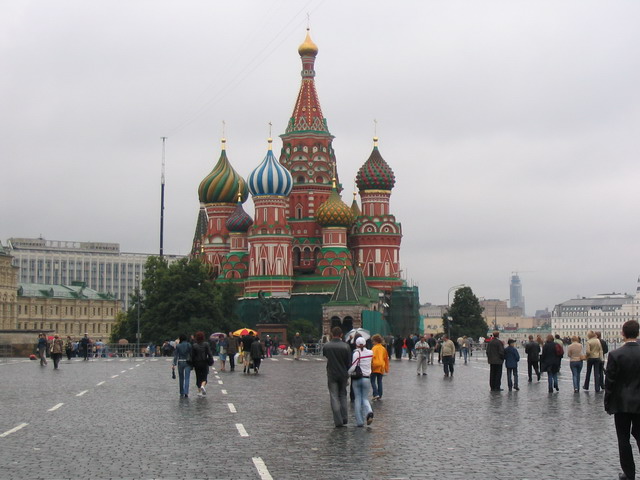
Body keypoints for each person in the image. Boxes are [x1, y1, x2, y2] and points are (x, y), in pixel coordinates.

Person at [605, 320, 640, 480]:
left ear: (623, 333)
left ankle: (629, 474)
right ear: (637, 333)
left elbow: (610, 382)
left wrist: (607, 403)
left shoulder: (615, 354)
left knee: (623, 439)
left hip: (621, 403)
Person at [322, 327, 351, 428]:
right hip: (343, 374)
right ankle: (344, 417)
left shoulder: (326, 346)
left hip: (332, 373)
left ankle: (338, 420)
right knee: (343, 395)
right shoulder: (346, 346)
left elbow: (325, 355)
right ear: (341, 335)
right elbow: (349, 362)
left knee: (334, 396)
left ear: (331, 334)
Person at [348, 337, 374, 427]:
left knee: (357, 399)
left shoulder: (356, 353)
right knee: (365, 398)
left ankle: (359, 421)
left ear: (356, 344)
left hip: (357, 378)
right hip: (367, 378)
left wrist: (347, 374)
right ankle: (369, 411)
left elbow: (354, 366)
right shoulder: (370, 353)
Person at [191, 331, 213, 396]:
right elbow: (209, 353)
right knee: (204, 377)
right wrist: (211, 360)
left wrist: (192, 364)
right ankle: (203, 386)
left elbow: (192, 356)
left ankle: (199, 391)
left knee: (198, 377)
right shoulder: (206, 344)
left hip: (197, 363)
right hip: (204, 362)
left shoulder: (194, 345)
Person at [370, 334, 389, 400]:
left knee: (372, 381)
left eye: (373, 341)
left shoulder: (374, 348)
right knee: (379, 381)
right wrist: (386, 368)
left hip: (375, 366)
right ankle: (380, 395)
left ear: (375, 341)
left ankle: (375, 394)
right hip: (381, 366)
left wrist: (370, 365)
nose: (372, 342)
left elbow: (372, 357)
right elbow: (386, 359)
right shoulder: (383, 348)